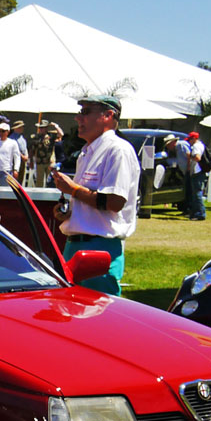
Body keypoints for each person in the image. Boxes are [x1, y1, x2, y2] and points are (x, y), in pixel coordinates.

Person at [51, 94, 140, 295]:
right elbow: (94, 201)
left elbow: (114, 202)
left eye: (85, 112)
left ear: (108, 115)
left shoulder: (118, 150)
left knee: (98, 310)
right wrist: (70, 213)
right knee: (72, 307)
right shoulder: (87, 152)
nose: (78, 118)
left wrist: (73, 189)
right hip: (77, 244)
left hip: (100, 247)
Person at [182, 130, 207, 220]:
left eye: (190, 139)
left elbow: (197, 158)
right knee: (195, 193)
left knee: (197, 194)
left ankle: (200, 213)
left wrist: (189, 156)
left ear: (194, 139)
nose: (189, 142)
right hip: (198, 172)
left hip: (197, 172)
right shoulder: (200, 145)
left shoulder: (196, 146)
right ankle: (195, 213)